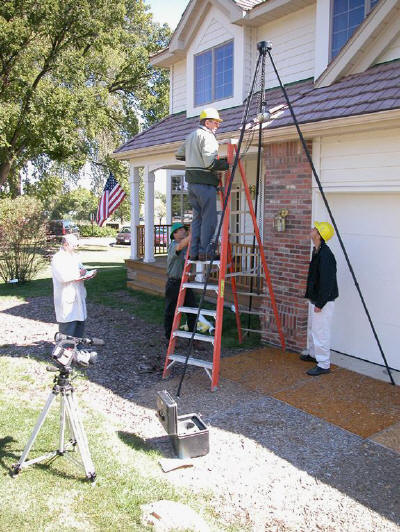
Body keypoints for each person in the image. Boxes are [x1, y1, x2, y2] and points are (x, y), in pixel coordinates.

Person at [176, 107, 229, 261]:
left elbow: (179, 154)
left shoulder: (191, 136)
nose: (218, 125)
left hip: (192, 185)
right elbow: (209, 163)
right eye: (215, 122)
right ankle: (205, 252)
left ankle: (194, 252)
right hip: (205, 184)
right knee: (209, 219)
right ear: (207, 122)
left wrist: (194, 158)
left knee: (198, 219)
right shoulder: (208, 137)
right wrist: (226, 164)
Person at [300, 221, 339, 376]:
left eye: (315, 229)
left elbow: (327, 282)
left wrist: (320, 303)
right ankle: (314, 354)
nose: (312, 230)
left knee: (321, 332)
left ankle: (323, 364)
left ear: (319, 235)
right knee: (313, 329)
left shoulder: (326, 255)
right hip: (315, 298)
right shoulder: (317, 251)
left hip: (323, 301)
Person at [51, 233, 96, 338]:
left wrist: (86, 272)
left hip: (78, 295)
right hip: (66, 296)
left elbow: (81, 269)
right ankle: (65, 351)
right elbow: (62, 277)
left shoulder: (75, 256)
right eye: (74, 245)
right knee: (68, 327)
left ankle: (78, 350)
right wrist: (78, 274)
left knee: (79, 325)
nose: (76, 247)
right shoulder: (58, 258)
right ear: (66, 244)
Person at [164, 222, 198, 342]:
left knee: (193, 311)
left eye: (185, 229)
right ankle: (170, 339)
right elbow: (180, 246)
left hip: (185, 283)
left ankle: (193, 339)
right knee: (171, 313)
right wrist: (192, 234)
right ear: (175, 234)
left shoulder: (186, 247)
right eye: (181, 230)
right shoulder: (174, 245)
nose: (184, 231)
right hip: (174, 283)